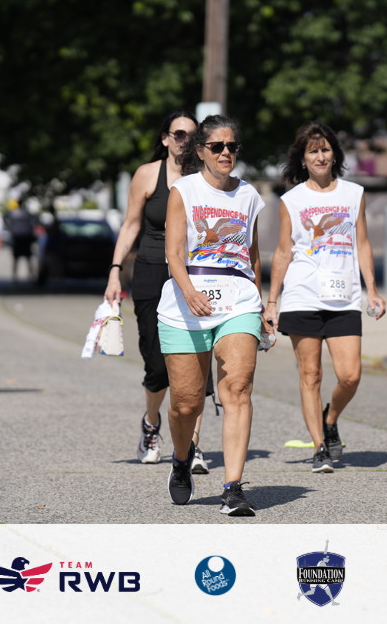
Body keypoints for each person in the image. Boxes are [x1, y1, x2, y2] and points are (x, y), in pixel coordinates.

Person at [157, 114, 266, 516]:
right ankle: (181, 458)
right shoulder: (183, 191)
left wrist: (262, 304)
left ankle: (233, 488)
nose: (226, 153)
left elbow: (252, 255)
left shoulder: (249, 195)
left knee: (237, 387)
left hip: (238, 301)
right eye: (217, 146)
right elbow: (174, 253)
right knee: (186, 404)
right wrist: (189, 292)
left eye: (232, 146)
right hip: (187, 301)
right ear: (200, 151)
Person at [265, 121, 386, 473]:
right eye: (312, 151)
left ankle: (330, 419)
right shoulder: (291, 200)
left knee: (350, 375)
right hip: (302, 295)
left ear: (335, 154)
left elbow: (362, 243)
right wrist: (272, 302)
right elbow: (284, 250)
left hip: (343, 297)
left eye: (325, 149)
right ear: (303, 158)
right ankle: (319, 446)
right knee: (311, 374)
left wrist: (372, 289)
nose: (320, 156)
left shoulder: (353, 194)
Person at [104, 110, 214, 474]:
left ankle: (192, 444)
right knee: (156, 364)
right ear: (165, 138)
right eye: (178, 134)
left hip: (196, 275)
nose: (185, 140)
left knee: (199, 362)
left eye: (192, 135)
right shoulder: (148, 175)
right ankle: (151, 424)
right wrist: (115, 272)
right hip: (153, 273)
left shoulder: (205, 178)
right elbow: (130, 225)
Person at [5, 199, 36, 284]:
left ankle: (15, 279)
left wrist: (10, 228)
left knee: (16, 260)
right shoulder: (27, 213)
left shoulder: (13, 213)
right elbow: (33, 223)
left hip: (17, 238)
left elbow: (5, 218)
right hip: (25, 238)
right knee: (28, 260)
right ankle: (31, 278)